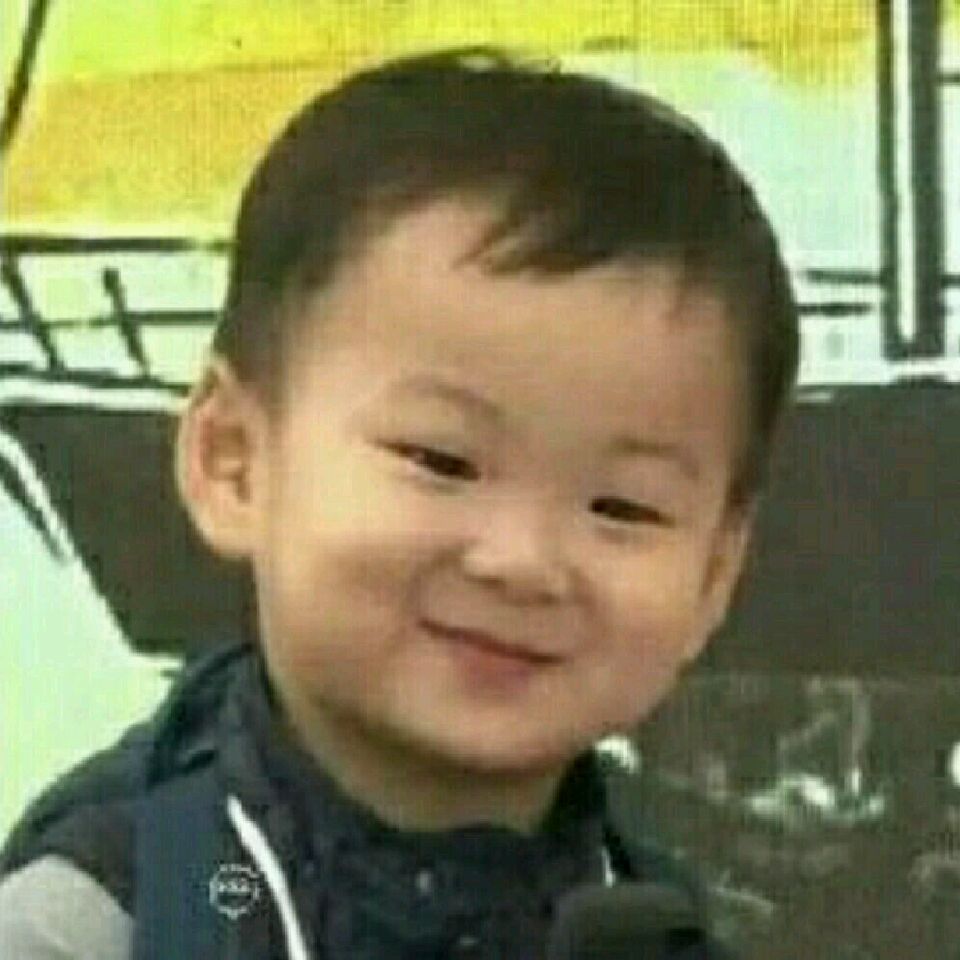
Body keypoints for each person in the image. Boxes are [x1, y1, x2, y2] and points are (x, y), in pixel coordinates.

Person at [0, 47, 799, 959]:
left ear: (715, 576)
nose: (521, 561)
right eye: (441, 459)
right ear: (235, 461)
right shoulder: (104, 925)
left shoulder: (649, 926)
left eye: (622, 508)